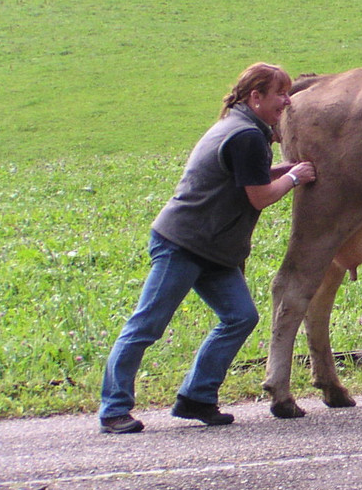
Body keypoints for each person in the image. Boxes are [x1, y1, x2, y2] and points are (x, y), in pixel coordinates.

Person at [98, 63, 317, 433]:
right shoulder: (247, 135)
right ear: (256, 97)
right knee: (147, 324)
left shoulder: (241, 127)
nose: (286, 101)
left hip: (214, 249)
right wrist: (294, 177)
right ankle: (113, 408)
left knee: (241, 316)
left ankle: (196, 397)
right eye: (280, 93)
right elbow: (259, 197)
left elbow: (248, 177)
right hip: (184, 243)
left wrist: (284, 170)